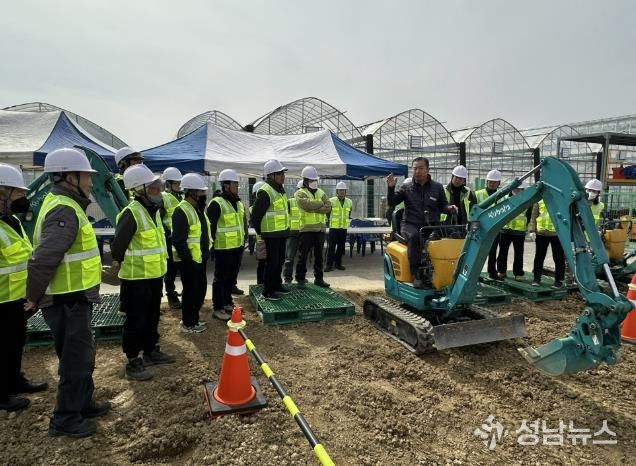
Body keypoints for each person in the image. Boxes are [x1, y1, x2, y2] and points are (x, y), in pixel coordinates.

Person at [26, 148, 110, 438]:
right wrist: (33, 296)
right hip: (66, 300)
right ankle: (65, 418)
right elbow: (44, 258)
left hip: (75, 297)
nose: (90, 182)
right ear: (69, 177)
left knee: (82, 356)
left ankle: (83, 404)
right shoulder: (63, 209)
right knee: (75, 360)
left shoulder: (66, 204)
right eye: (86, 176)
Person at [110, 164, 175, 381]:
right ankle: (132, 361)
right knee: (135, 321)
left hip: (154, 277)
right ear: (139, 189)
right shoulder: (132, 213)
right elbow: (117, 249)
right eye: (153, 187)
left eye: (157, 187)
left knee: (152, 316)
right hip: (136, 279)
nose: (158, 191)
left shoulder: (152, 211)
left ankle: (150, 351)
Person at [0, 164, 48, 412]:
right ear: (2, 193)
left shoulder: (12, 221)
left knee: (15, 343)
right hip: (1, 301)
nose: (22, 197)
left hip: (16, 298)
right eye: (17, 192)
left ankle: (14, 381)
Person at [387, 157, 457, 288]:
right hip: (410, 224)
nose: (417, 171)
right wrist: (391, 188)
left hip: (430, 225)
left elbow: (443, 206)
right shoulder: (407, 187)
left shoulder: (437, 187)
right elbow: (392, 202)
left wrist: (450, 208)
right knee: (414, 237)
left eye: (420, 168)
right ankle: (417, 275)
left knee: (454, 233)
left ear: (427, 169)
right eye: (415, 168)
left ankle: (450, 272)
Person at [206, 169, 247, 320]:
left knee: (231, 277)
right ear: (225, 185)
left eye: (237, 183)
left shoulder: (238, 202)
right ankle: (218, 308)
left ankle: (227, 302)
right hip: (222, 248)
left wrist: (243, 240)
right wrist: (210, 247)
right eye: (234, 183)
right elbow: (210, 227)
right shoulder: (217, 203)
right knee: (221, 279)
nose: (237, 186)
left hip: (237, 247)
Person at [172, 173, 211, 331]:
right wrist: (188, 261)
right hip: (190, 262)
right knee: (190, 293)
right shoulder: (181, 210)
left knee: (199, 291)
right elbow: (179, 241)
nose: (203, 194)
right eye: (201, 192)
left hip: (199, 259)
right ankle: (188, 323)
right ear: (191, 192)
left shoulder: (197, 209)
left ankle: (193, 319)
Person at [250, 160, 290, 301]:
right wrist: (261, 233)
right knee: (271, 263)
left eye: (283, 173)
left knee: (279, 261)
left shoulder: (280, 189)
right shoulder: (265, 191)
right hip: (271, 234)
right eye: (279, 174)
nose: (282, 176)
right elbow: (255, 216)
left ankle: (277, 285)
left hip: (282, 233)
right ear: (271, 175)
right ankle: (267, 291)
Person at [295, 166, 332, 288]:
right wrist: (320, 203)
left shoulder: (321, 192)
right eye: (311, 180)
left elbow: (328, 206)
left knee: (319, 256)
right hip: (306, 229)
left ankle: (319, 279)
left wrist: (315, 207)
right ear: (305, 180)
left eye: (315, 180)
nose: (314, 182)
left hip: (320, 229)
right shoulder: (300, 193)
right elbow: (306, 205)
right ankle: (300, 279)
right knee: (303, 256)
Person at [496, 182, 531, 281]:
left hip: (519, 231)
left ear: (523, 190)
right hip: (505, 230)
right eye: (516, 189)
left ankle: (518, 273)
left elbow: (529, 214)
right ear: (511, 189)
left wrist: (526, 226)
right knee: (502, 252)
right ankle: (501, 271)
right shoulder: (505, 199)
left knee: (519, 253)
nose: (517, 190)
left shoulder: (527, 200)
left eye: (520, 189)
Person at [160, 167, 183, 310]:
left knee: (182, 266)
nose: (179, 186)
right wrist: (166, 233)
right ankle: (171, 295)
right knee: (171, 269)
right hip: (169, 239)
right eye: (176, 183)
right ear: (168, 184)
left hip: (181, 238)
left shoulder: (181, 197)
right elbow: (159, 219)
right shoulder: (163, 197)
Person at [475, 169, 502, 279]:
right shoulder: (478, 194)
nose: (492, 184)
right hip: (481, 227)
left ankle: (492, 271)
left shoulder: (502, 195)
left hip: (495, 227)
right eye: (490, 181)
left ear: (499, 183)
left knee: (493, 250)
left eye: (495, 182)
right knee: (478, 251)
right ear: (486, 182)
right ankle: (475, 273)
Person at [532, 199, 565, 289]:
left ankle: (559, 280)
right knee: (539, 256)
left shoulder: (561, 198)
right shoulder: (539, 199)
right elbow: (534, 215)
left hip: (558, 234)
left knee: (558, 258)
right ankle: (536, 279)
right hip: (541, 233)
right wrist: (532, 230)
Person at [440, 165, 476, 236]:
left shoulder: (468, 192)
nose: (458, 180)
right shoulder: (442, 189)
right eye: (456, 177)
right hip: (445, 225)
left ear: (464, 180)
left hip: (462, 225)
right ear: (452, 177)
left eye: (461, 178)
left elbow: (473, 208)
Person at [325, 181, 352, 272]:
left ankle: (338, 264)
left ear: (345, 191)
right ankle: (329, 265)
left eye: (343, 190)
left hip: (343, 228)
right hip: (334, 228)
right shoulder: (331, 200)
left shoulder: (349, 202)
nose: (341, 192)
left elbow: (349, 213)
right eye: (340, 190)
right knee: (331, 247)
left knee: (341, 247)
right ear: (337, 191)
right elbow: (327, 213)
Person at [283, 179, 303, 283]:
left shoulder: (307, 203)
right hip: (292, 233)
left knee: (302, 257)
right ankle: (287, 278)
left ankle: (300, 277)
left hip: (303, 232)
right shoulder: (290, 202)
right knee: (289, 257)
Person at [249, 181, 267, 285]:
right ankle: (261, 284)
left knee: (264, 263)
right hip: (262, 239)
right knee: (263, 263)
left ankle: (262, 284)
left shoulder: (253, 207)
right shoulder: (254, 208)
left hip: (263, 238)